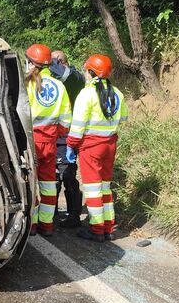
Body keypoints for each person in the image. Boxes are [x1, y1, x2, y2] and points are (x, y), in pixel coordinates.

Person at [65, 54, 128, 242]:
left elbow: (78, 125)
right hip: (110, 144)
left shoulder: (87, 94)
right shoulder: (117, 93)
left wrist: (71, 145)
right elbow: (123, 119)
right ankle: (108, 227)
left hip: (91, 147)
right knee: (105, 187)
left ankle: (96, 229)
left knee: (92, 189)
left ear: (91, 72)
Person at [25, 43, 72, 237]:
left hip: (31, 142)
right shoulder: (60, 86)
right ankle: (47, 225)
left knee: (31, 184)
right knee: (48, 184)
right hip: (51, 142)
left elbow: (20, 115)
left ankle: (33, 225)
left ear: (30, 63)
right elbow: (66, 119)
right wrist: (55, 133)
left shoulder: (27, 84)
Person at [49, 50, 84, 228]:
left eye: (55, 61)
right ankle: (51, 215)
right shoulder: (52, 81)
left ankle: (74, 216)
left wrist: (49, 63)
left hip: (68, 137)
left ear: (61, 62)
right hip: (51, 136)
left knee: (68, 175)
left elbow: (67, 76)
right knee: (51, 178)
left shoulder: (75, 78)